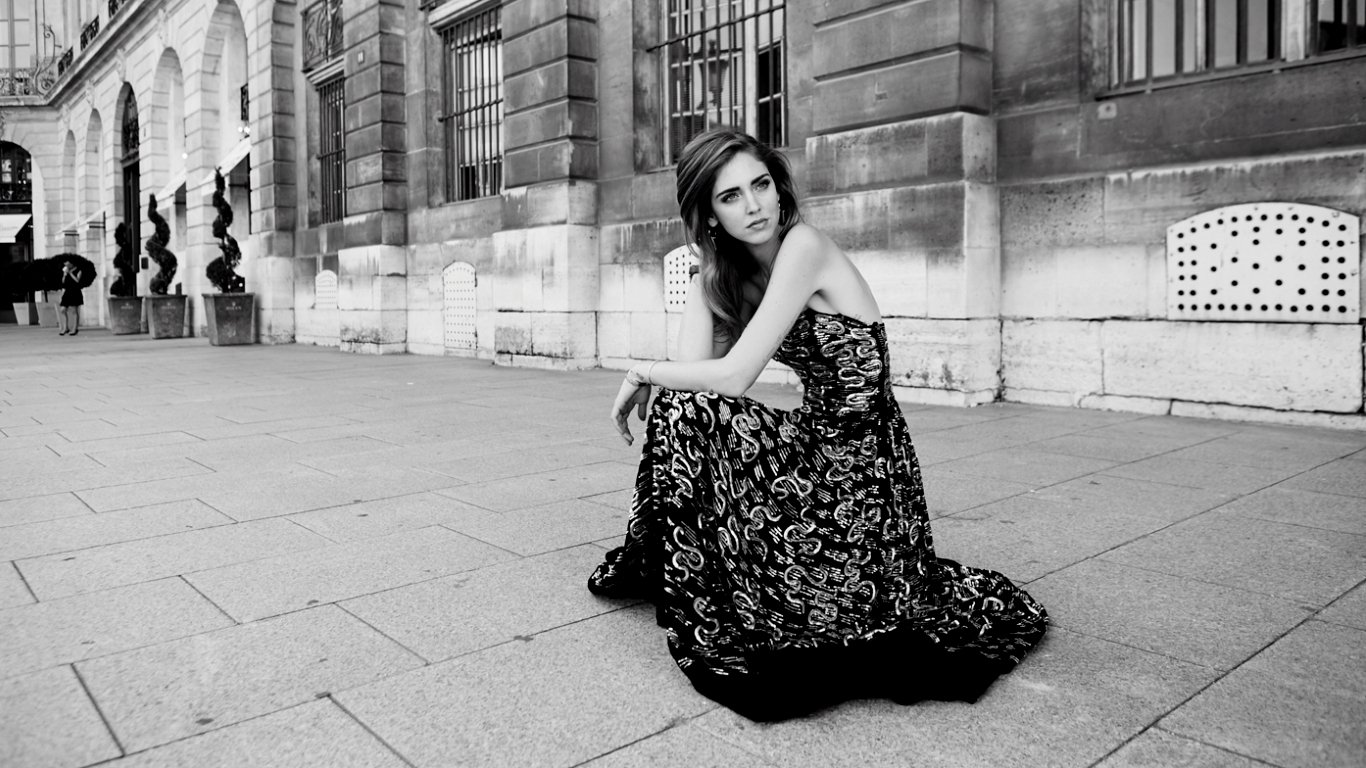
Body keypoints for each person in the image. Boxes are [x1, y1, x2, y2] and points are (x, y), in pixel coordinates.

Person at [590, 128, 1048, 721]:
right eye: (730, 197)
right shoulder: (725, 275)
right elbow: (696, 376)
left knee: (688, 402)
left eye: (761, 185)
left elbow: (732, 377)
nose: (753, 205)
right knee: (685, 412)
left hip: (867, 472)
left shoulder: (803, 247)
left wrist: (638, 370)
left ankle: (725, 562)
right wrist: (703, 287)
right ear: (707, 215)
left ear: (779, 190)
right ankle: (685, 562)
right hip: (813, 450)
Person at [58, 260, 83, 336]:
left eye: (67, 262)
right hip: (67, 292)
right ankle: (65, 328)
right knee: (62, 310)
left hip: (75, 292)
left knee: (74, 310)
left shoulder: (78, 270)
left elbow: (77, 280)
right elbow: (63, 282)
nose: (66, 264)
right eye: (65, 263)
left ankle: (75, 329)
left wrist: (70, 273)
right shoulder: (66, 271)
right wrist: (64, 274)